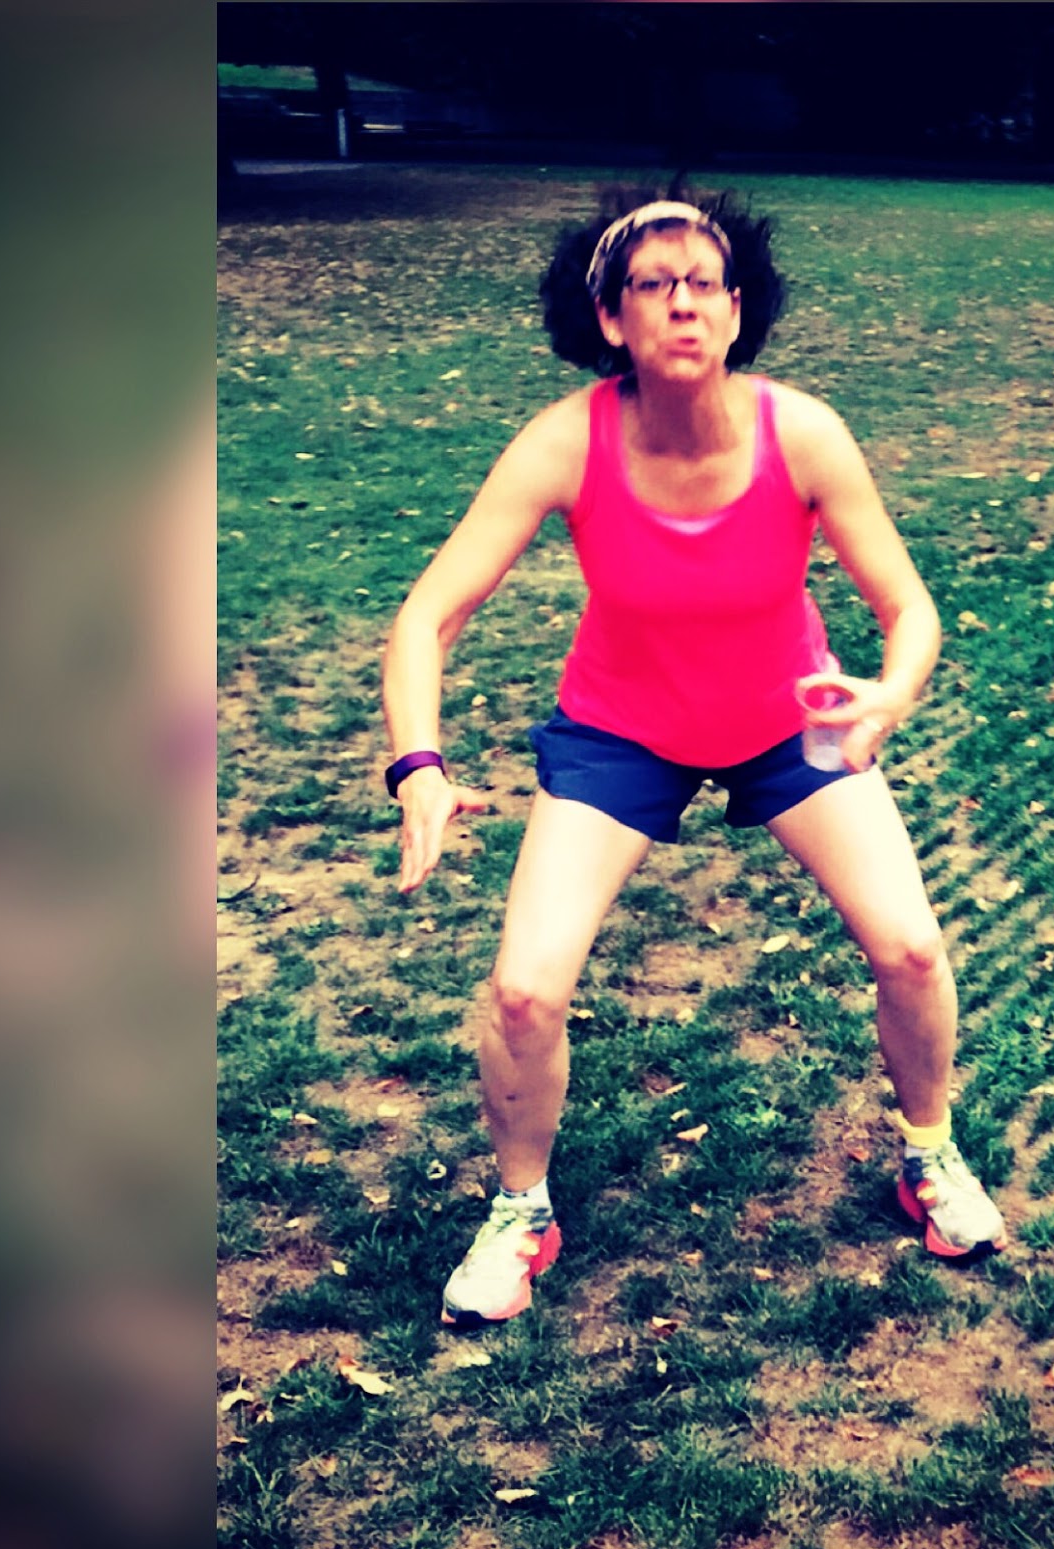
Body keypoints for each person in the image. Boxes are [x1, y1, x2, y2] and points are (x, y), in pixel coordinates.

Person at [381, 187, 1007, 1330]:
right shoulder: (564, 442)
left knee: (913, 946)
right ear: (610, 319)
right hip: (621, 731)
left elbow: (907, 605)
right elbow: (429, 614)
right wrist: (417, 765)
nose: (683, 303)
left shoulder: (801, 434)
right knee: (523, 989)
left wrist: (889, 692)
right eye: (652, 285)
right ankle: (521, 1209)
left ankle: (930, 1153)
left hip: (788, 720)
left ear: (736, 308)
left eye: (706, 283)